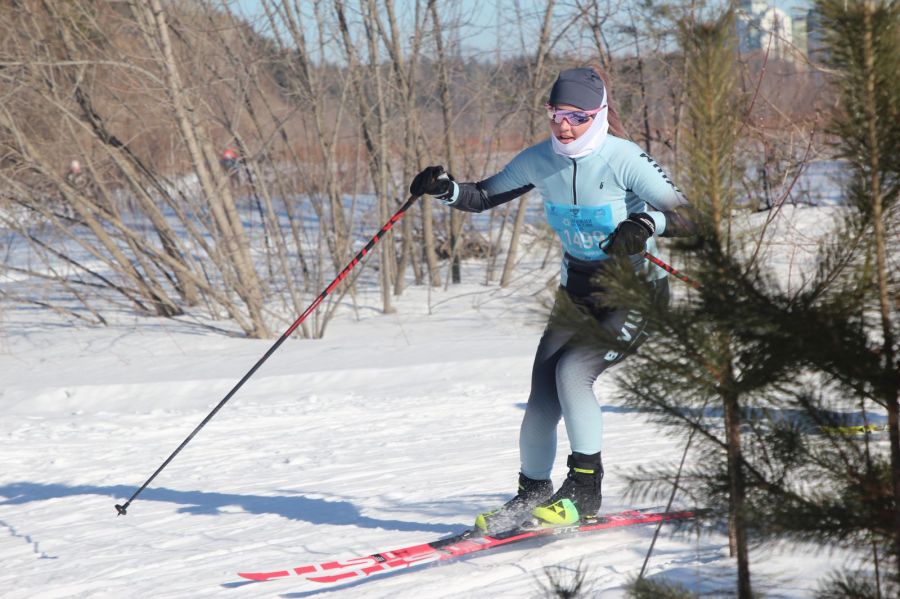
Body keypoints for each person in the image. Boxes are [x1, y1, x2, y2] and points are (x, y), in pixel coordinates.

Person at [409, 67, 696, 533]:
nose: (564, 126)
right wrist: (444, 189)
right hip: (578, 293)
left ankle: (584, 492)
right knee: (542, 395)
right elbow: (482, 196)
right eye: (556, 114)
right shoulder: (542, 159)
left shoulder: (624, 159)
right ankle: (532, 493)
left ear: (599, 115)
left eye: (578, 117)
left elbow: (690, 217)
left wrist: (646, 226)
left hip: (635, 294)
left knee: (573, 374)